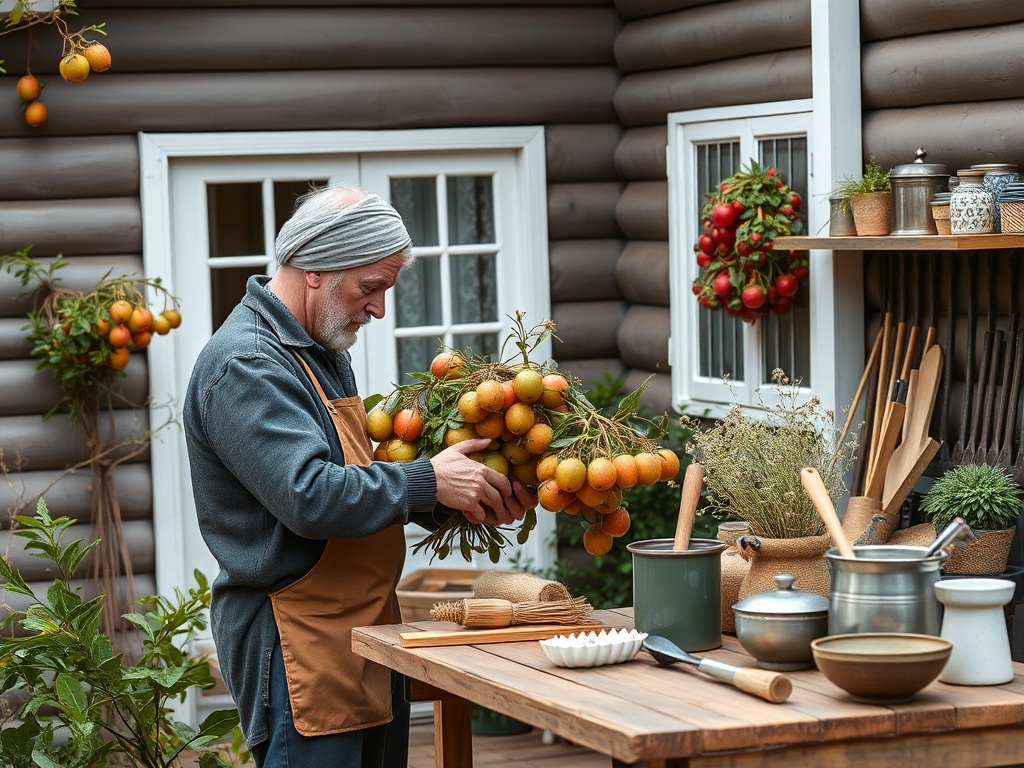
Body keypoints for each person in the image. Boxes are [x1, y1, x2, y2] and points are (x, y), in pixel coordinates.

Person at [183, 183, 536, 768]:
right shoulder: (247, 364)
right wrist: (429, 481)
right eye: (370, 287)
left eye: (386, 290)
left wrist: (463, 495)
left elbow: (359, 481)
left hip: (363, 634)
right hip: (296, 646)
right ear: (315, 269)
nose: (378, 308)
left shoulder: (319, 350)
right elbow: (310, 497)